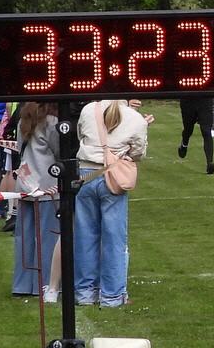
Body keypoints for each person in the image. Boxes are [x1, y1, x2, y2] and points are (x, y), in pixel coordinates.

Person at [74, 98, 149, 308]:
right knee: (114, 238)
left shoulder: (89, 108)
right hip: (112, 175)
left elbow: (81, 135)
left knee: (85, 235)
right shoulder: (135, 118)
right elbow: (138, 153)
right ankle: (112, 295)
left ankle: (85, 292)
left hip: (86, 173)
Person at [8, 101, 62, 301]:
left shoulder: (23, 119)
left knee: (24, 237)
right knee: (48, 237)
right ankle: (45, 283)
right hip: (47, 185)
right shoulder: (52, 122)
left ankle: (22, 283)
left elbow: (19, 148)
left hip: (25, 183)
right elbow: (59, 152)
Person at [177, 94, 214, 173]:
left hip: (205, 100)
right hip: (188, 100)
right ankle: (184, 144)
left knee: (206, 131)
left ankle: (210, 163)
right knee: (188, 129)